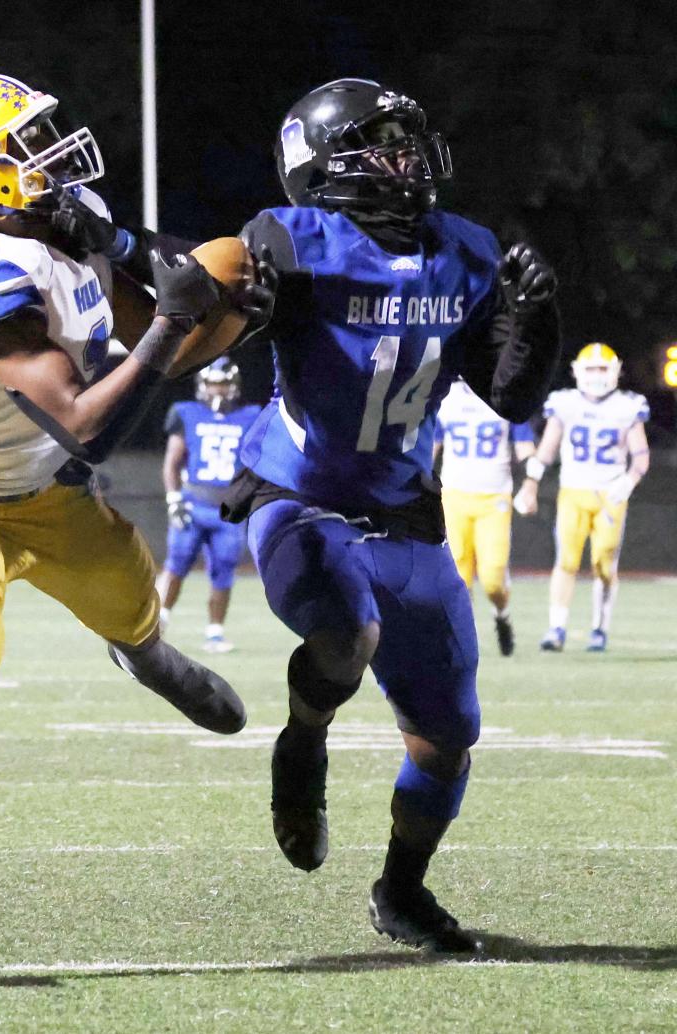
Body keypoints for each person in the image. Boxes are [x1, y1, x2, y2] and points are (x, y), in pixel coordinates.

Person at [38, 77, 560, 952]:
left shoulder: (463, 249)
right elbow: (196, 300)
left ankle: (401, 894)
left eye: (407, 140)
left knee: (446, 737)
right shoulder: (290, 239)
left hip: (401, 507)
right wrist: (151, 258)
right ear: (329, 165)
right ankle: (304, 740)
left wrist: (537, 324)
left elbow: (508, 398)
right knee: (346, 631)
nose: (408, 159)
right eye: (385, 143)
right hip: (300, 494)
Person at [0, 73, 270, 983]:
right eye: (24, 140)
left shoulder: (63, 213)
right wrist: (175, 326)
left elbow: (163, 299)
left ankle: (149, 658)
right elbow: (88, 420)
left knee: (136, 612)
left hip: (50, 494)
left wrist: (190, 282)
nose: (50, 148)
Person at [512, 343, 650, 652]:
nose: (597, 375)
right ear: (577, 371)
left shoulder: (627, 406)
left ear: (615, 371)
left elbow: (641, 457)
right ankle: (556, 628)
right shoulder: (565, 404)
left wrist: (627, 483)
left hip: (610, 494)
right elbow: (546, 451)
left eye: (603, 369)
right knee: (566, 561)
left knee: (604, 563)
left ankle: (599, 628)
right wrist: (530, 483)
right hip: (573, 491)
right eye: (592, 369)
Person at [156, 358, 262, 652]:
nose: (219, 390)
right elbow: (172, 462)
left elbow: (257, 463)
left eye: (224, 384)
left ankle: (215, 632)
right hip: (194, 502)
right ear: (202, 385)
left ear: (235, 386)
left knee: (225, 568)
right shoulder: (186, 413)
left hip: (228, 508)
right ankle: (158, 622)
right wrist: (173, 498)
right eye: (214, 383)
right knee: (176, 562)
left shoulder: (250, 415)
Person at [433, 379, 537, 655]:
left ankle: (501, 616)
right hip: (454, 494)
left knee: (493, 578)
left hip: (494, 499)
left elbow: (526, 448)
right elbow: (431, 447)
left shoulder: (506, 397)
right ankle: (462, 641)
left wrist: (531, 483)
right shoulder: (446, 396)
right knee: (458, 576)